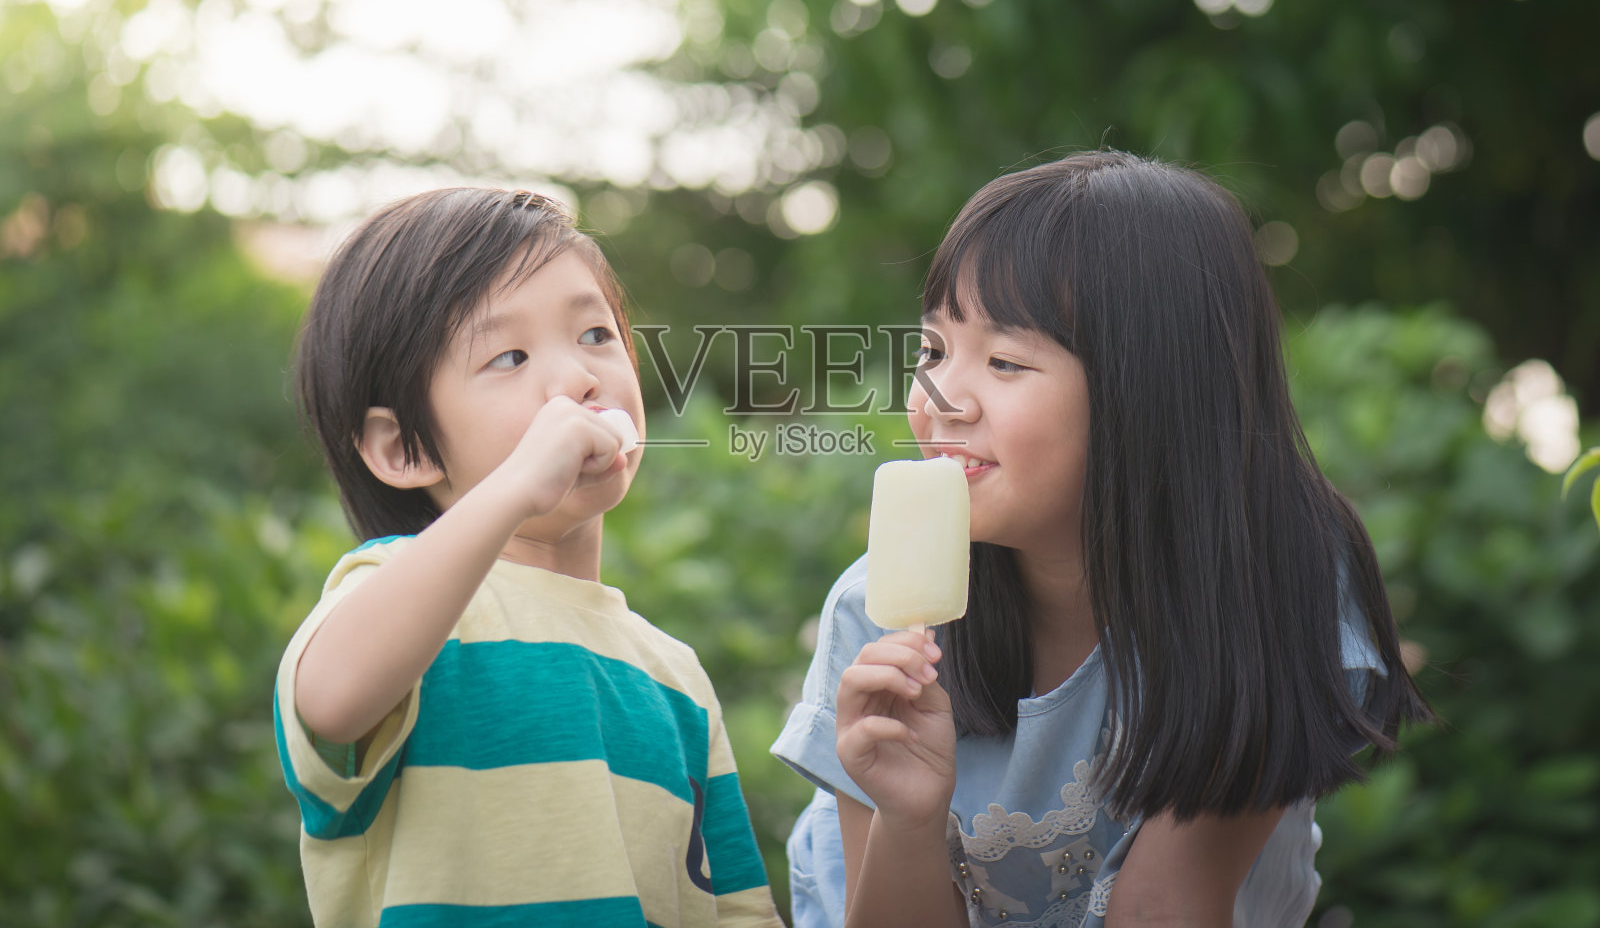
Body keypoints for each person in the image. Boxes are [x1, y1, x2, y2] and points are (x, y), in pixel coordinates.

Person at [771, 151, 1432, 928]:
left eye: (1006, 359)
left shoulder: (1277, 587)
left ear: (1148, 393)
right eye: (932, 350)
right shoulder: (874, 614)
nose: (941, 398)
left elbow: (1164, 908)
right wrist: (910, 821)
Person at [273, 187, 782, 928]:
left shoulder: (674, 674)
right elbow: (333, 697)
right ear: (404, 448)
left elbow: (737, 910)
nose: (580, 378)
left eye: (596, 336)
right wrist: (517, 484)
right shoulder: (394, 599)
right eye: (509, 356)